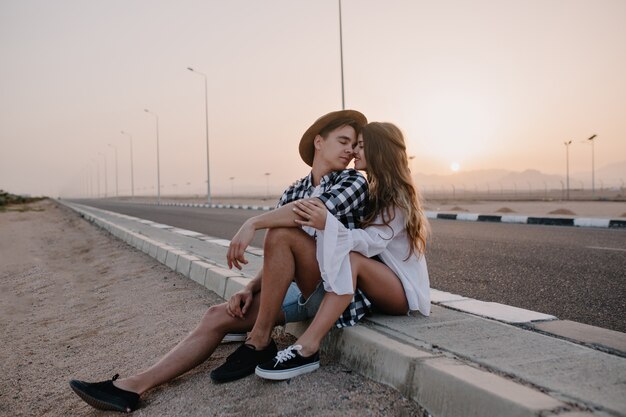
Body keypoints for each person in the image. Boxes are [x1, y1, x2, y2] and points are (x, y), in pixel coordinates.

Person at [69, 110, 370, 413]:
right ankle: (132, 387)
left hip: (332, 291)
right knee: (217, 314)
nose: (350, 150)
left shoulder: (353, 181)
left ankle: (259, 341)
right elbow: (280, 257)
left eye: (354, 144)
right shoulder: (295, 189)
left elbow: (307, 212)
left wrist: (254, 221)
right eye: (343, 141)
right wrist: (251, 289)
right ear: (319, 141)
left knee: (279, 233)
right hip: (297, 292)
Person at [253, 121, 431, 380]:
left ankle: (308, 347)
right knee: (348, 257)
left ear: (378, 150)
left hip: (402, 291)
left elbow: (371, 243)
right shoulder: (374, 189)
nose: (354, 152)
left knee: (352, 259)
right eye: (352, 145)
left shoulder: (396, 197)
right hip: (379, 281)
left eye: (360, 146)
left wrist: (329, 224)